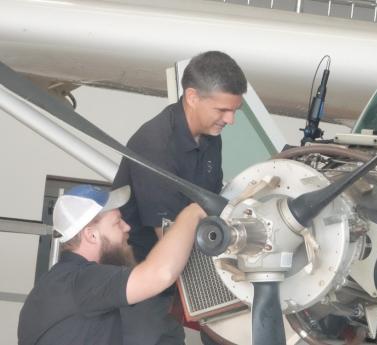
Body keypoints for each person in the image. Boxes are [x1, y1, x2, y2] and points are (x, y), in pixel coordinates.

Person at [112, 50, 247, 344]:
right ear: (192, 96)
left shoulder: (211, 137)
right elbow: (170, 236)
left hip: (184, 264)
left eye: (235, 110)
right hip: (141, 275)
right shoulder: (155, 145)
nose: (231, 120)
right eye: (223, 110)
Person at [17, 184, 205, 345]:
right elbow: (161, 273)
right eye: (117, 223)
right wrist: (192, 213)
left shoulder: (58, 285)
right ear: (91, 235)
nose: (127, 227)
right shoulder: (79, 281)